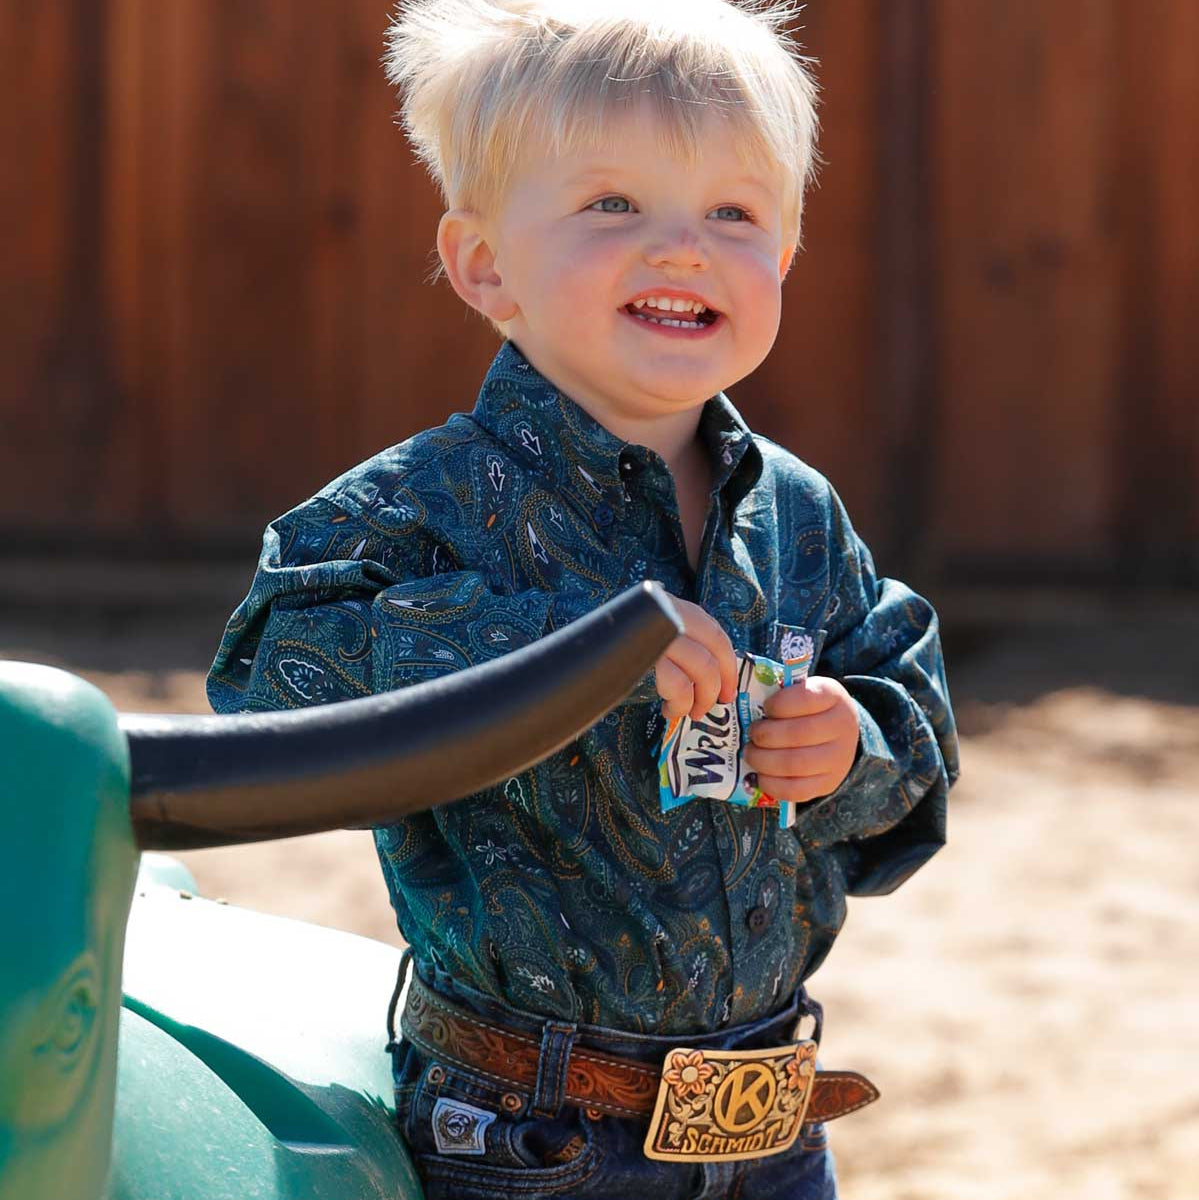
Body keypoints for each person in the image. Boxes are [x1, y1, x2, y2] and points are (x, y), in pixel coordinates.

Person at [207, 2, 960, 1196]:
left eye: (733, 212)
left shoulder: (800, 515)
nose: (682, 248)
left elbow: (908, 721)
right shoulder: (427, 503)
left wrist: (852, 744)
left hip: (769, 1125)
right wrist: (566, 657)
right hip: (526, 1128)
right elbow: (268, 673)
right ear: (484, 263)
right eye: (613, 205)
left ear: (784, 261)